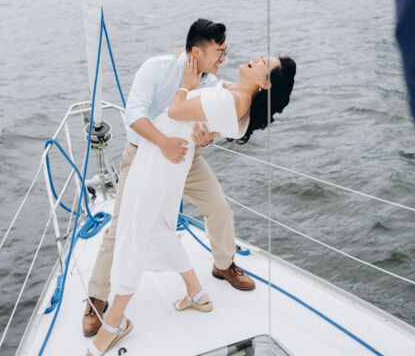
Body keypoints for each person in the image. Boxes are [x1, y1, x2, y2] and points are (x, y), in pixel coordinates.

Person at [86, 53, 296, 356]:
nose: (255, 58)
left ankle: (115, 322)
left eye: (263, 62)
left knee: (135, 234)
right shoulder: (237, 99)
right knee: (154, 227)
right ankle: (196, 293)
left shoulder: (232, 100)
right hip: (160, 156)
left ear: (265, 83)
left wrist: (185, 84)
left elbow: (176, 110)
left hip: (163, 160)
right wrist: (207, 129)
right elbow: (213, 118)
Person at [83, 19, 256, 338]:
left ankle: (223, 264)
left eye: (225, 51)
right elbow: (134, 114)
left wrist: (207, 138)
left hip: (188, 158)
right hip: (142, 156)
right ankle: (97, 297)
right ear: (196, 52)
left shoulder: (213, 84)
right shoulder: (156, 68)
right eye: (219, 52)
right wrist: (163, 143)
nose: (224, 59)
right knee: (121, 226)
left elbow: (212, 125)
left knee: (220, 210)